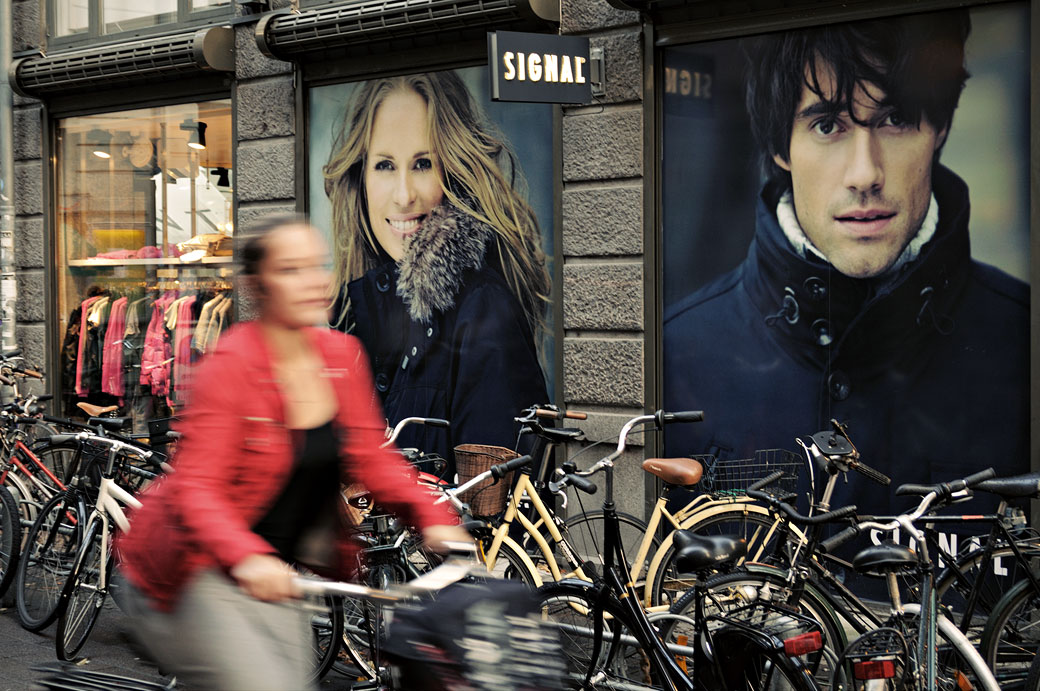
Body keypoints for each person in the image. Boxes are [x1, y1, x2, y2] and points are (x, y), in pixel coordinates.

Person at [663, 11, 1029, 519]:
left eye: (896, 118)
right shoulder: (673, 354)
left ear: (940, 127)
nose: (865, 173)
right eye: (827, 124)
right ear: (778, 145)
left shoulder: (1022, 341)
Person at [116, 215, 466, 690]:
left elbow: (371, 456)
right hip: (193, 572)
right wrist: (246, 557)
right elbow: (197, 488)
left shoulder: (342, 357)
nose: (312, 281)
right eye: (290, 270)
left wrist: (434, 518)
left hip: (276, 574)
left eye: (317, 266)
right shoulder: (231, 366)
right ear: (258, 286)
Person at [323, 72, 551, 473]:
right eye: (385, 165)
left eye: (423, 163)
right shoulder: (357, 310)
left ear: (456, 174)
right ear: (361, 180)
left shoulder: (483, 310)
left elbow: (491, 509)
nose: (404, 193)